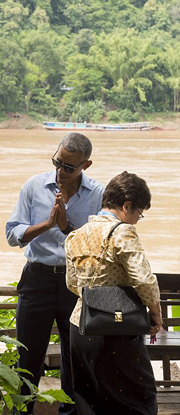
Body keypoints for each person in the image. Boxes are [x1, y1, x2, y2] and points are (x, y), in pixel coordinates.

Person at [5, 133, 104, 415]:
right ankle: (21, 412)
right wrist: (48, 224)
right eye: (57, 162)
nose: (61, 171)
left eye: (70, 167)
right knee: (28, 355)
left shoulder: (98, 194)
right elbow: (13, 234)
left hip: (76, 284)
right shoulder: (34, 186)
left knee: (75, 357)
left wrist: (66, 227)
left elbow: (99, 246)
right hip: (37, 279)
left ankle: (70, 413)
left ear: (86, 165)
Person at [65, 171, 161, 415]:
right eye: (139, 213)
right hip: (117, 329)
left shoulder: (76, 235)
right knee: (139, 400)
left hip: (81, 327)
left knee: (90, 403)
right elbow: (143, 279)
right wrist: (155, 311)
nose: (137, 220)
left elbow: (73, 284)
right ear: (126, 205)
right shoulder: (122, 232)